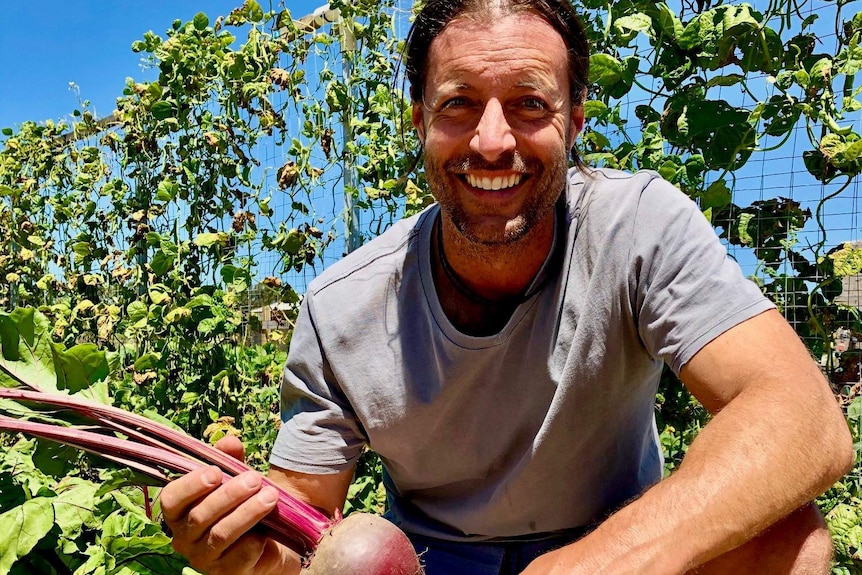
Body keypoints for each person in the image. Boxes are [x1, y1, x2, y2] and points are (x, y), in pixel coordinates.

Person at [161, 0, 854, 573]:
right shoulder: (341, 307)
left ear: (575, 120)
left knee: (789, 541)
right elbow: (305, 526)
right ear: (419, 122)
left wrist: (598, 561)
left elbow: (804, 418)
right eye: (459, 104)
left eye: (528, 103)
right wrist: (244, 548)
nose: (493, 141)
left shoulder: (636, 226)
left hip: (613, 543)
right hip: (428, 563)